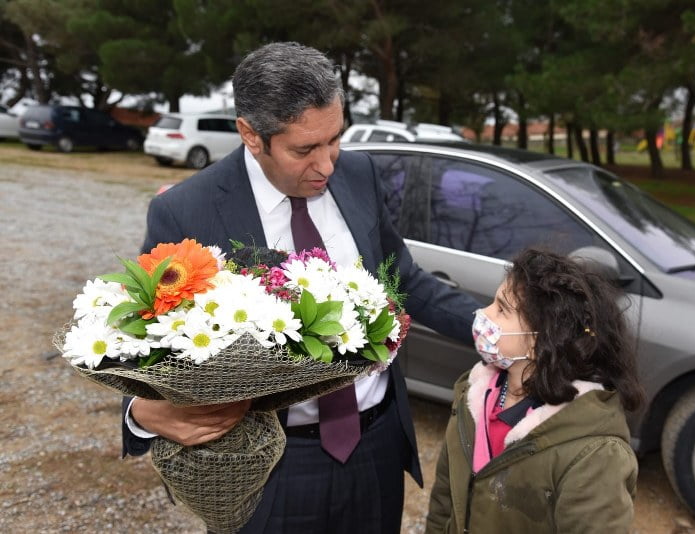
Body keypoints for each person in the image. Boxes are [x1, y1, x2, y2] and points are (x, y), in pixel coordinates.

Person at [121, 42, 480, 533]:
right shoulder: (188, 211)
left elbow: (404, 280)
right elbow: (148, 344)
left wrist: (487, 326)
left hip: (373, 451)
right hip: (266, 469)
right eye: (305, 149)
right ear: (251, 135)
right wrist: (139, 411)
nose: (328, 164)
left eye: (335, 139)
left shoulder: (359, 174)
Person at [425, 248, 645, 534]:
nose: (483, 314)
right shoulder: (472, 397)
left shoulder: (595, 455)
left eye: (502, 309)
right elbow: (445, 497)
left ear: (541, 341)